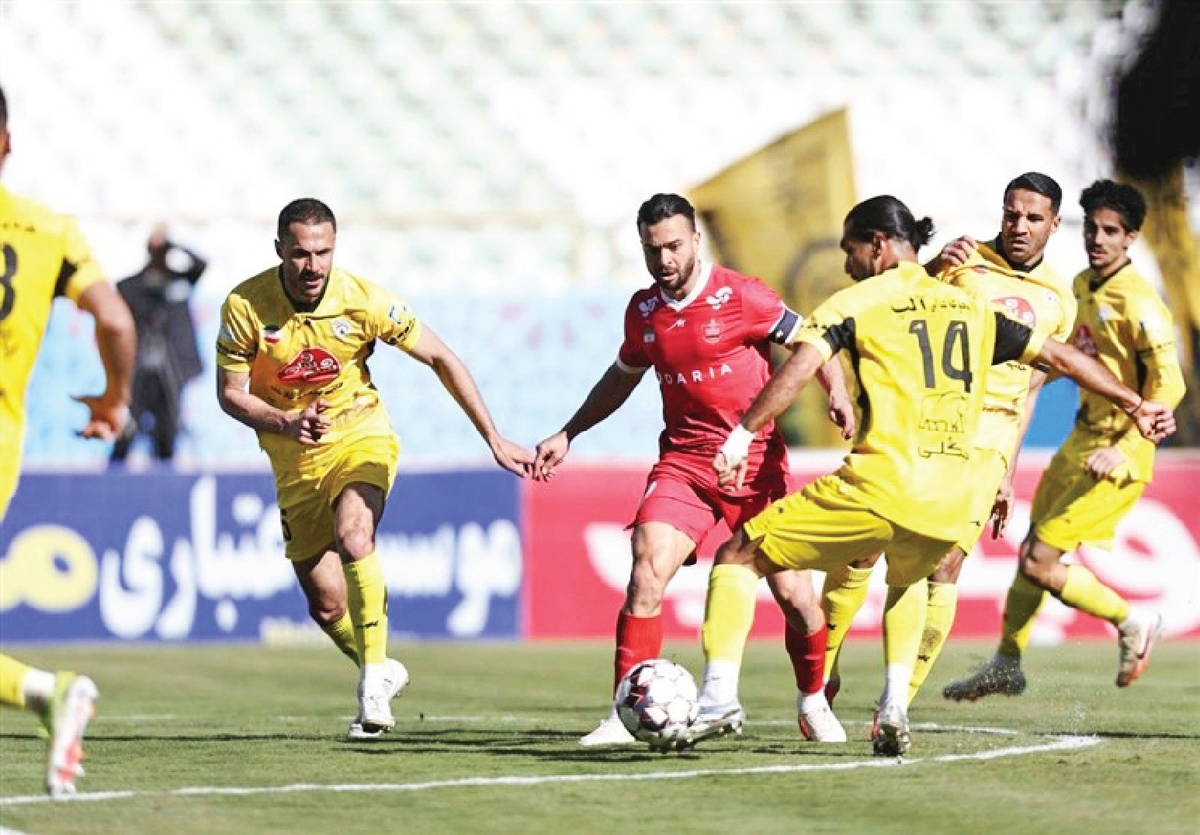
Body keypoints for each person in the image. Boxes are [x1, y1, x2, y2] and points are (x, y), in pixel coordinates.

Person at [680, 195, 1174, 758]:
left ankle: (719, 699)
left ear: (877, 245)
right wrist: (1135, 403)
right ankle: (893, 704)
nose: (846, 264)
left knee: (737, 557)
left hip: (882, 480)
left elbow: (800, 365)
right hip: (952, 492)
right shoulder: (971, 306)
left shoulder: (860, 300)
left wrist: (742, 435)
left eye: (849, 250)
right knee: (911, 579)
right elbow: (1062, 358)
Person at [532, 193, 855, 747]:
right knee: (646, 572)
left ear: (696, 241)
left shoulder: (742, 295)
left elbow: (813, 342)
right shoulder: (643, 311)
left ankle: (812, 700)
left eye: (674, 246)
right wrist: (569, 432)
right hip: (684, 463)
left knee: (796, 597)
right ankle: (624, 715)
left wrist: (839, 393)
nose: (664, 260)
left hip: (753, 464)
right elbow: (621, 376)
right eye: (652, 249)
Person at [215, 197, 533, 740]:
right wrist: (285, 421)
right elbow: (229, 394)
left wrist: (492, 436)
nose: (313, 266)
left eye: (323, 253)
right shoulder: (246, 305)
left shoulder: (364, 300)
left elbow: (441, 357)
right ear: (280, 251)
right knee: (325, 605)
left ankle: (371, 691)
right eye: (300, 254)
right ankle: (380, 666)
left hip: (360, 436)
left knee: (354, 536)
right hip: (294, 458)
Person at [818, 172, 1075, 722]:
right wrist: (934, 268)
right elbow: (901, 303)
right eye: (1011, 214)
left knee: (944, 566)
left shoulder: (1060, 298)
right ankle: (822, 672)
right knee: (862, 545)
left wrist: (1006, 469)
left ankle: (896, 707)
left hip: (986, 447)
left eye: (1033, 218)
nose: (1019, 226)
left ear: (1055, 224)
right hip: (926, 422)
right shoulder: (963, 260)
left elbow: (1029, 390)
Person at [943, 179, 1187, 701]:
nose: (1097, 239)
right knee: (1030, 553)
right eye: (1092, 228)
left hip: (1118, 454)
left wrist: (1123, 447)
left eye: (1111, 231)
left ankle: (1133, 621)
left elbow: (1170, 385)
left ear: (1131, 238)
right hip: (1078, 442)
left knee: (1039, 560)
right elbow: (1058, 364)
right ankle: (1007, 663)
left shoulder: (1140, 302)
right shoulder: (1078, 287)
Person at [0, 83, 137, 795]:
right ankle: (48, 693)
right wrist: (115, 398)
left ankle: (49, 692)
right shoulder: (49, 231)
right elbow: (115, 320)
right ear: (7, 142)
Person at [111, 223, 206, 462]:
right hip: (139, 370)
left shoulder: (177, 281)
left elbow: (201, 264)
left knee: (168, 427)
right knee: (129, 425)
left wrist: (172, 245)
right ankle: (113, 475)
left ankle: (166, 473)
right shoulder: (131, 286)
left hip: (172, 368)